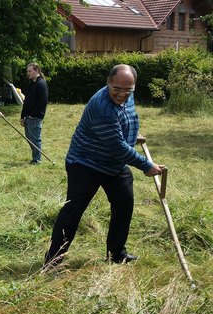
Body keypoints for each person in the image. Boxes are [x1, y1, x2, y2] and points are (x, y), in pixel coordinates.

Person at [44, 64, 163, 268]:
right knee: (73, 211)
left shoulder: (127, 93)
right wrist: (145, 165)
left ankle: (116, 254)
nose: (122, 94)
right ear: (108, 82)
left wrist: (131, 135)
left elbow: (127, 118)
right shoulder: (102, 107)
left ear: (133, 86)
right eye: (117, 89)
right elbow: (117, 147)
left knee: (124, 204)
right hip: (85, 163)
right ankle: (53, 261)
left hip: (113, 165)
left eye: (128, 90)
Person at [20, 62, 49, 165]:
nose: (28, 73)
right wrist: (22, 116)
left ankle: (37, 160)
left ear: (36, 70)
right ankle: (35, 158)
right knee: (29, 138)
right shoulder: (32, 83)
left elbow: (42, 102)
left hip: (35, 117)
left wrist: (33, 115)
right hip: (28, 117)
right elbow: (26, 101)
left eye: (30, 71)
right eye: (27, 71)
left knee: (35, 139)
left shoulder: (41, 84)